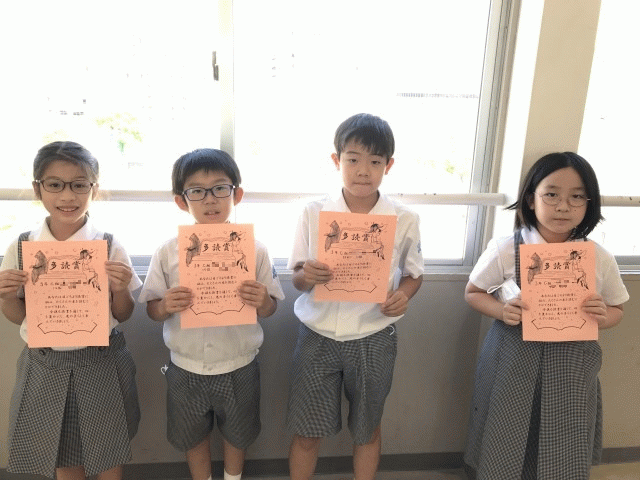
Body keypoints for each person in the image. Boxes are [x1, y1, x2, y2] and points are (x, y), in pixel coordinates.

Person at [463, 152, 629, 479]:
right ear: (531, 199)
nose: (563, 207)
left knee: (564, 433)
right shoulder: (506, 248)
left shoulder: (598, 256)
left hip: (572, 362)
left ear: (589, 203)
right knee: (507, 427)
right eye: (551, 194)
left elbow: (617, 310)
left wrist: (602, 315)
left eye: (577, 197)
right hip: (513, 358)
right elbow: (473, 292)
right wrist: (502, 310)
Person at [287, 113, 424, 480]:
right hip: (317, 334)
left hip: (373, 333)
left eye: (375, 162)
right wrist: (306, 275)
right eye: (353, 159)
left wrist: (402, 296)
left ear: (388, 165)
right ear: (337, 160)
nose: (363, 171)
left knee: (367, 429)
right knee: (306, 430)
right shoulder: (313, 212)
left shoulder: (404, 218)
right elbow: (296, 277)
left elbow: (414, 274)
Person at [138, 148, 284, 480]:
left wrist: (263, 300)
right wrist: (165, 305)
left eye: (220, 188)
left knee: (238, 435)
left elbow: (271, 308)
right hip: (185, 365)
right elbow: (152, 310)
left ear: (237, 194)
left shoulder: (255, 249)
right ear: (181, 201)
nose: (210, 200)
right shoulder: (167, 251)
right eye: (197, 191)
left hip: (239, 363)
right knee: (192, 437)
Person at [0, 141, 142, 480]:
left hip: (101, 358)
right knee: (61, 447)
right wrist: (5, 297)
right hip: (45, 361)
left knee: (108, 446)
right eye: (55, 184)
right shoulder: (22, 245)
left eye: (79, 185)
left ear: (94, 188)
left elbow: (123, 314)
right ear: (38, 188)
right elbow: (20, 317)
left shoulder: (108, 244)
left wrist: (120, 288)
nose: (67, 196)